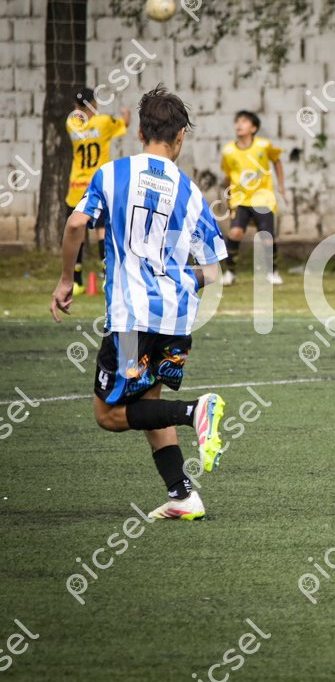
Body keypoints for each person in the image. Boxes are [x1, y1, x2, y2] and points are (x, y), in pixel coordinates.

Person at [51, 85, 229, 521]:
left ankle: (195, 411)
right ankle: (182, 495)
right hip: (177, 317)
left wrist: (66, 280)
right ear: (181, 135)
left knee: (108, 414)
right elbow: (214, 271)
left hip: (132, 317)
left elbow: (76, 224)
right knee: (148, 401)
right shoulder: (190, 192)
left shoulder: (112, 174)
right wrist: (180, 279)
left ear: (140, 132)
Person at [65, 88, 131, 293]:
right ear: (94, 104)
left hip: (76, 186)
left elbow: (80, 119)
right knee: (102, 230)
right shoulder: (103, 123)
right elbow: (123, 124)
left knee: (78, 231)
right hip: (98, 186)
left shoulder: (71, 124)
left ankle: (77, 280)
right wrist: (126, 115)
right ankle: (106, 276)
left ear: (76, 107)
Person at [220, 110, 285, 286]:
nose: (239, 125)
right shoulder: (228, 151)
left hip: (262, 198)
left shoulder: (263, 145)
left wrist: (281, 186)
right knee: (235, 232)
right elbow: (228, 175)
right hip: (240, 199)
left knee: (266, 237)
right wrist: (227, 196)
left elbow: (277, 160)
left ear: (253, 128)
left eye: (244, 122)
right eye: (237, 121)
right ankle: (230, 272)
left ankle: (273, 271)